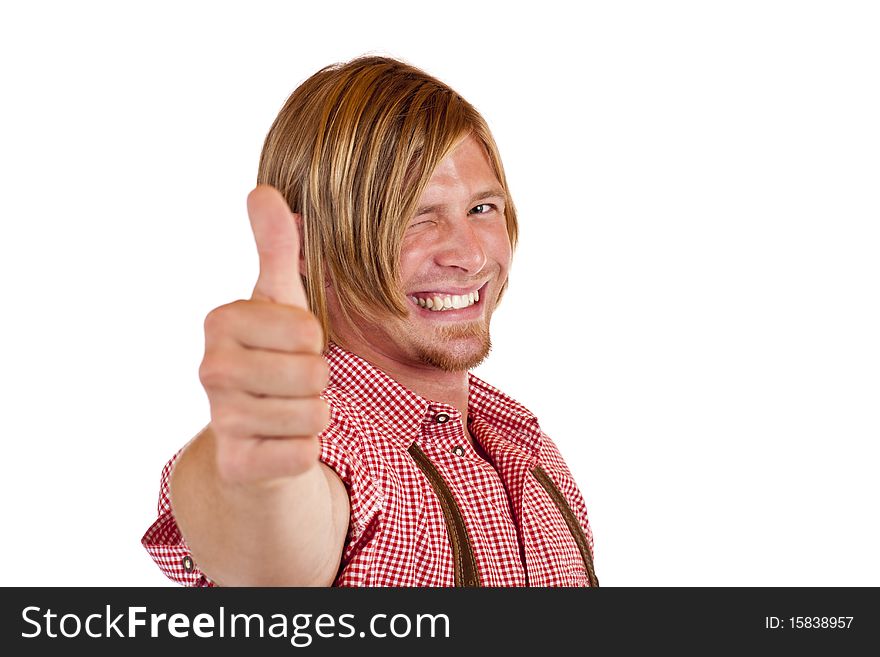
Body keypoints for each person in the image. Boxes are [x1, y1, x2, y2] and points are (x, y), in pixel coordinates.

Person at [142, 56, 598, 587]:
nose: (470, 256)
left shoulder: (526, 449)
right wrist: (257, 467)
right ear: (307, 246)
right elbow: (271, 554)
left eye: (481, 209)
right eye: (413, 217)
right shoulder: (336, 442)